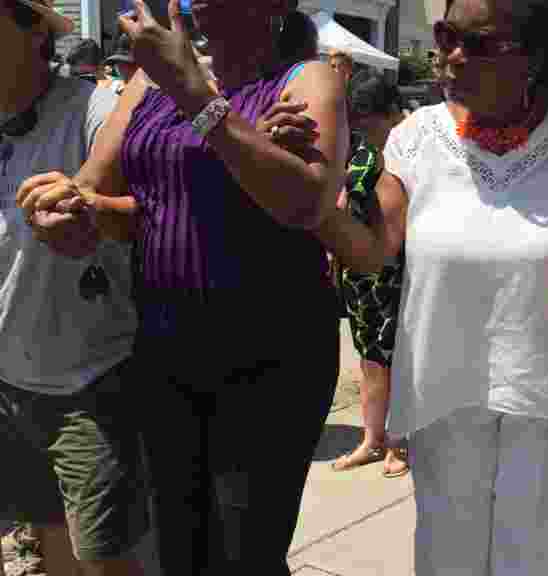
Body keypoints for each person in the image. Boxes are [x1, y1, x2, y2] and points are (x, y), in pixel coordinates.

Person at [16, 0, 349, 573]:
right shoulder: (151, 76)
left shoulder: (306, 79)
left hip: (270, 358)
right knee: (182, 550)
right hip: (166, 352)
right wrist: (69, 211)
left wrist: (195, 94)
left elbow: (306, 203)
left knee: (245, 552)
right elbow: (108, 199)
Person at [318, 0, 548, 573]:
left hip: (545, 399)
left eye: (480, 43)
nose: (451, 56)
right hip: (442, 397)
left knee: (529, 557)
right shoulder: (418, 137)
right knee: (446, 556)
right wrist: (316, 192)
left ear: (534, 56)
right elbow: (371, 250)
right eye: (447, 36)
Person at [1, 1, 146, 575]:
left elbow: (160, 209)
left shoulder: (94, 110)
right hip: (9, 381)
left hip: (87, 382)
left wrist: (92, 211)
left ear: (32, 27)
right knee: (49, 542)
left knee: (106, 559)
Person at [328, 71, 409, 478]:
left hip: (399, 270)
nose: (362, 127)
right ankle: (372, 438)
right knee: (370, 358)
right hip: (359, 272)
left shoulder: (411, 154)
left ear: (393, 113)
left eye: (369, 118)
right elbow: (344, 196)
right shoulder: (360, 151)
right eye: (357, 119)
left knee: (399, 357)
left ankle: (397, 441)